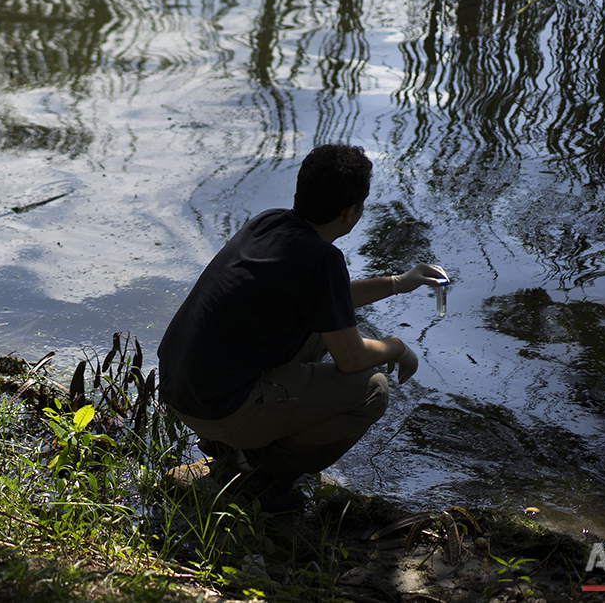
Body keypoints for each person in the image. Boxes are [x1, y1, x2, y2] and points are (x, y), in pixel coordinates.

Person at [157, 144, 447, 510]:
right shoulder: (322, 259)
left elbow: (328, 300)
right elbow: (352, 358)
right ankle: (258, 473)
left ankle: (233, 448)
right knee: (373, 389)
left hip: (180, 389)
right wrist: (397, 347)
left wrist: (396, 282)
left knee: (320, 327)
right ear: (351, 212)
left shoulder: (270, 222)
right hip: (218, 409)